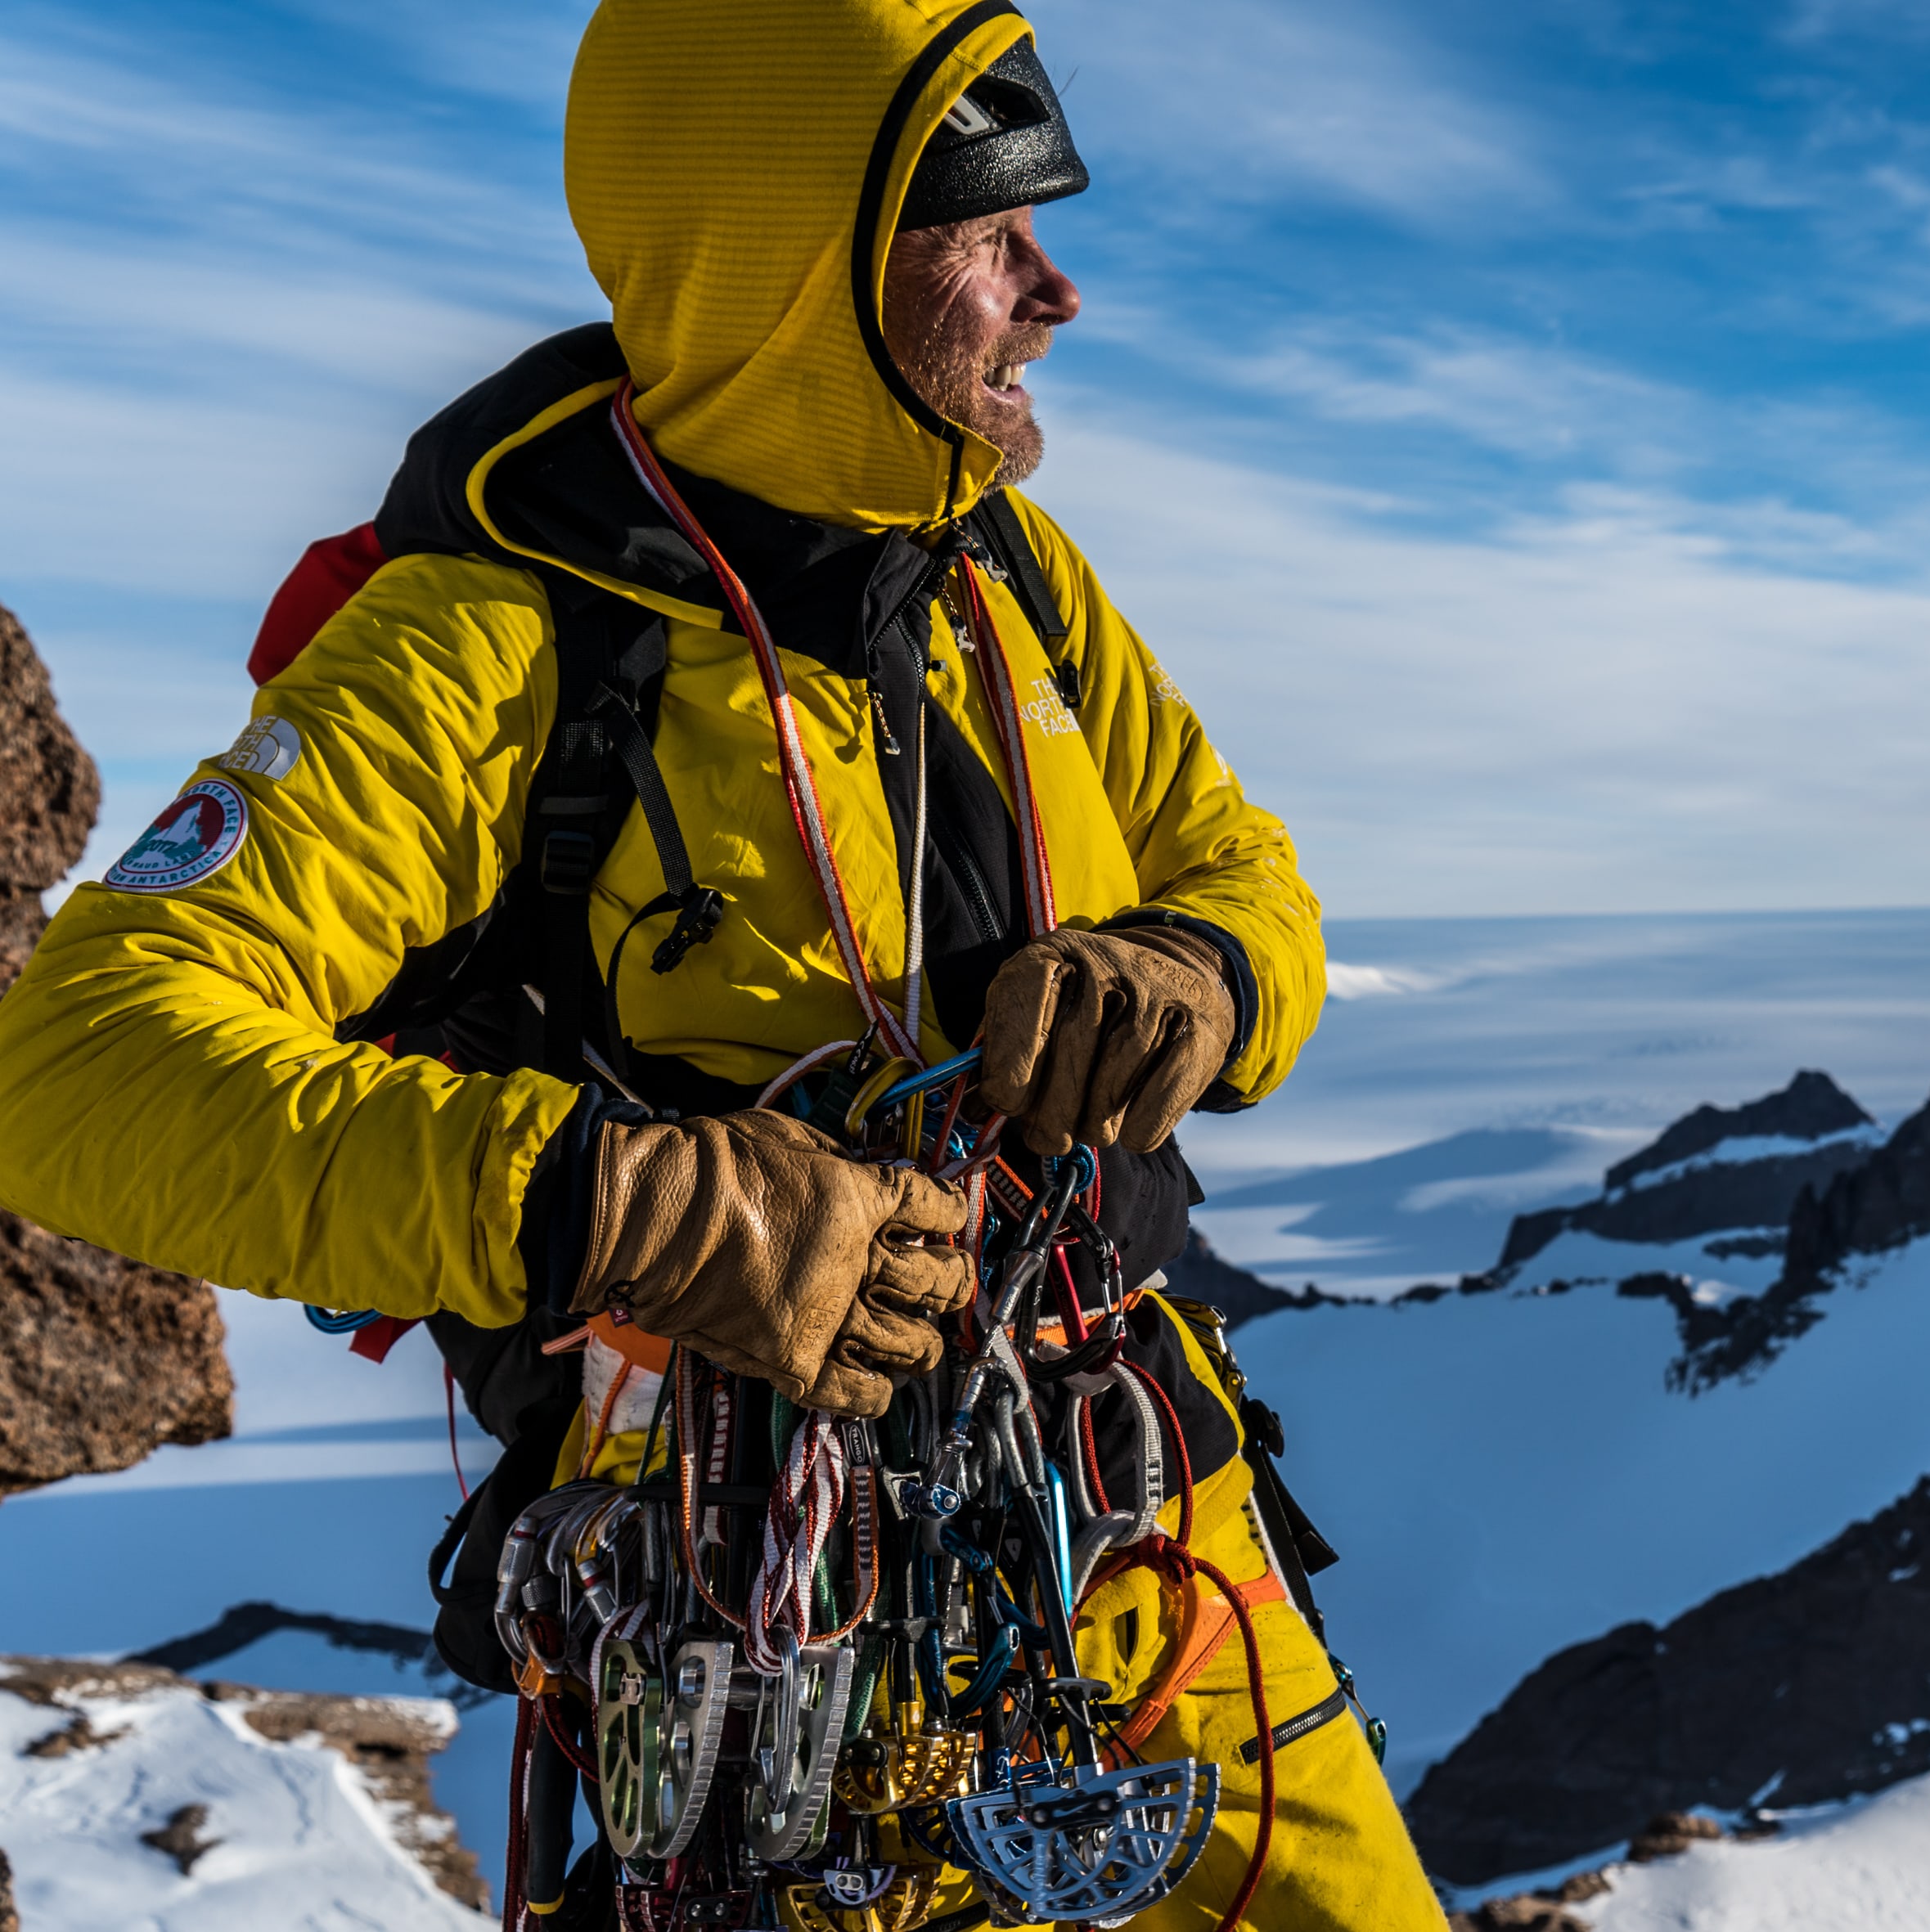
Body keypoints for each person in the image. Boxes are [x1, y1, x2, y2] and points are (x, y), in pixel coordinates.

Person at [0, 2, 1444, 1925]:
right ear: (802, 270)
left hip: (1147, 1528)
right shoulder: (496, 641)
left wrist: (1195, 968)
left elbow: (1235, 864)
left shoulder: (1009, 577)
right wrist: (629, 1202)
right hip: (765, 1609)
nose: (1056, 290)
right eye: (992, 235)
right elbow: (72, 1073)